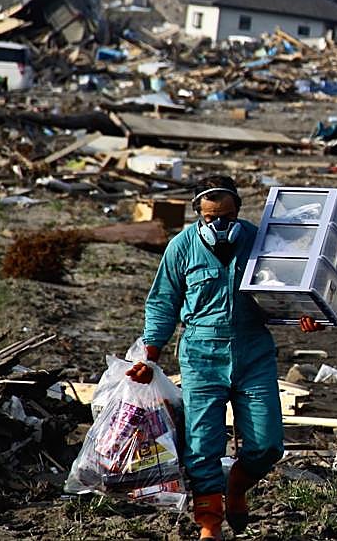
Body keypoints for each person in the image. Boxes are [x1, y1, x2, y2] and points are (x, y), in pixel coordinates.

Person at [126, 176, 322, 541]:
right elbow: (162, 303)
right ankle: (209, 523)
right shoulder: (181, 248)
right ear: (198, 214)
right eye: (211, 217)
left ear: (238, 212)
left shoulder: (259, 240)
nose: (220, 225)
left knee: (267, 444)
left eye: (227, 217)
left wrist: (304, 312)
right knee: (202, 447)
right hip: (201, 353)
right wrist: (149, 355)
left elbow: (284, 286)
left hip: (253, 352)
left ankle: (236, 487)